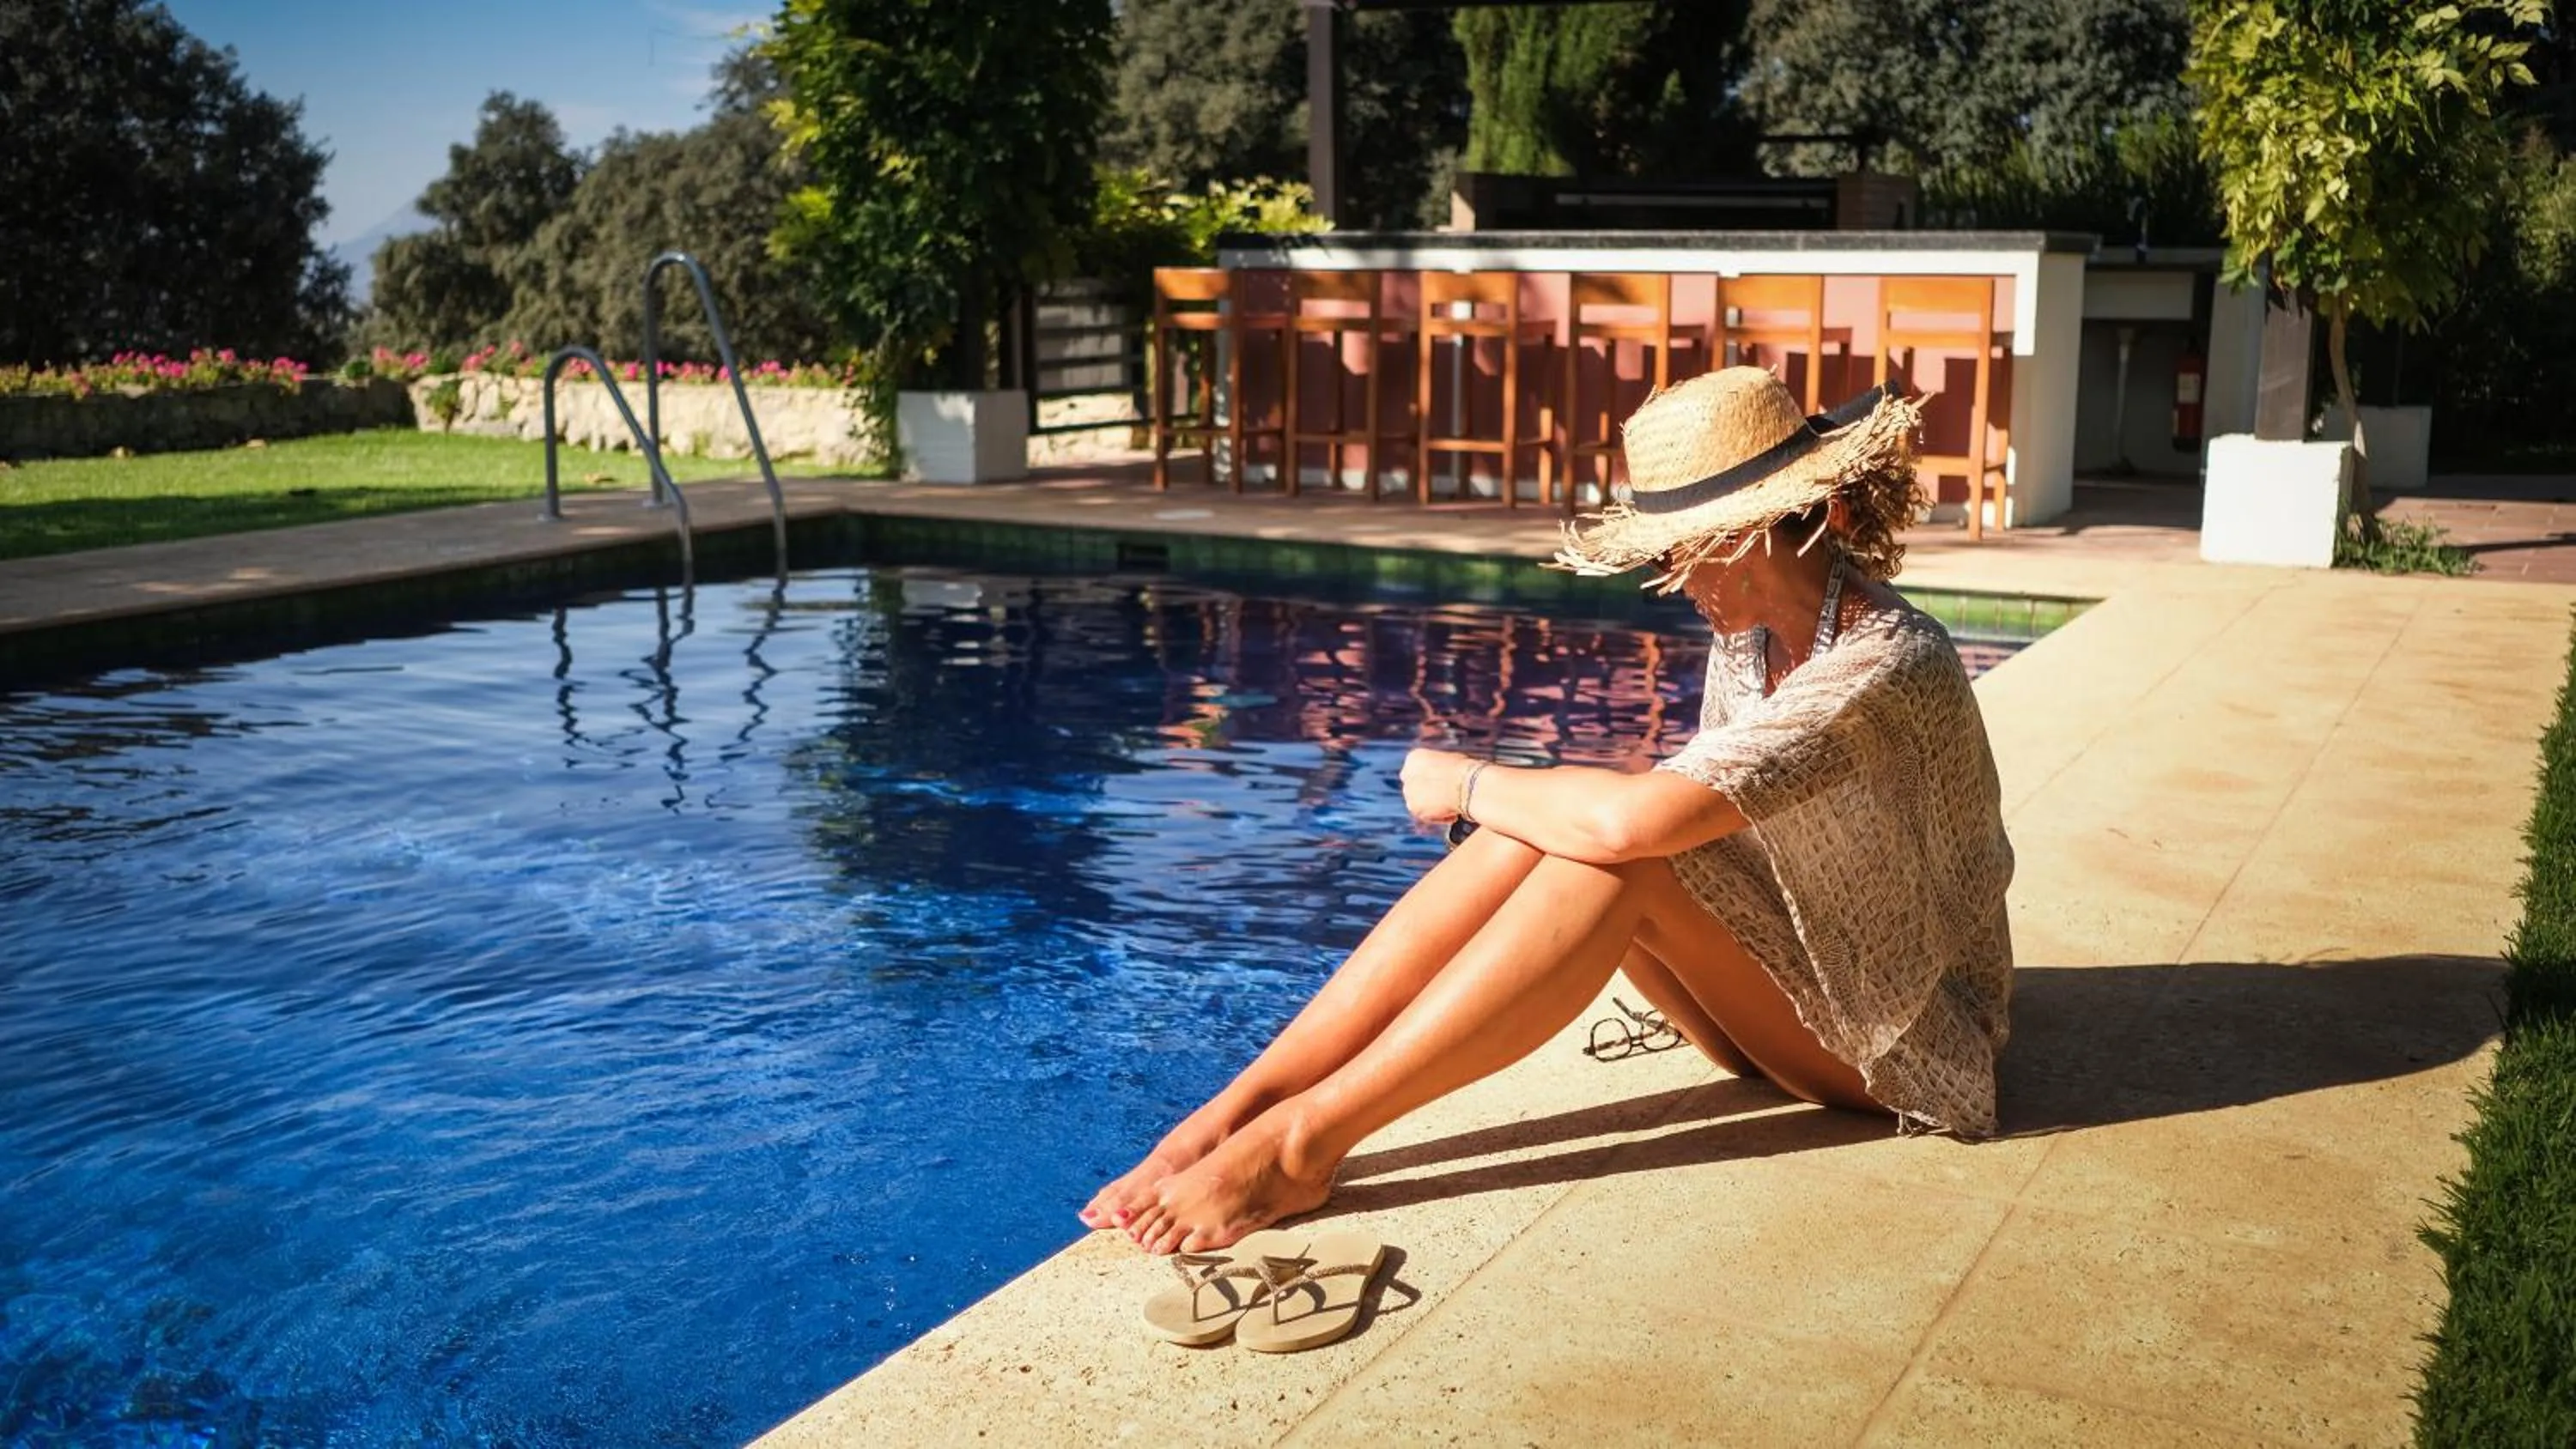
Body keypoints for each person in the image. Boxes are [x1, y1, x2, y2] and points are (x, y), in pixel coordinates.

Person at [1081, 367, 2016, 1256]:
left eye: (1705, 542)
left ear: (1813, 521)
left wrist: (1467, 782)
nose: (1679, 573)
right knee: (1559, 826)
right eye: (1672, 547)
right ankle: (1237, 1110)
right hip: (1790, 981)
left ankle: (1302, 1145)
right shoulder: (1755, 635)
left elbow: (1635, 830)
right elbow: (1660, 811)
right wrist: (1509, 806)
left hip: (1898, 1040)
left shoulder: (1884, 665)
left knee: (1613, 850)